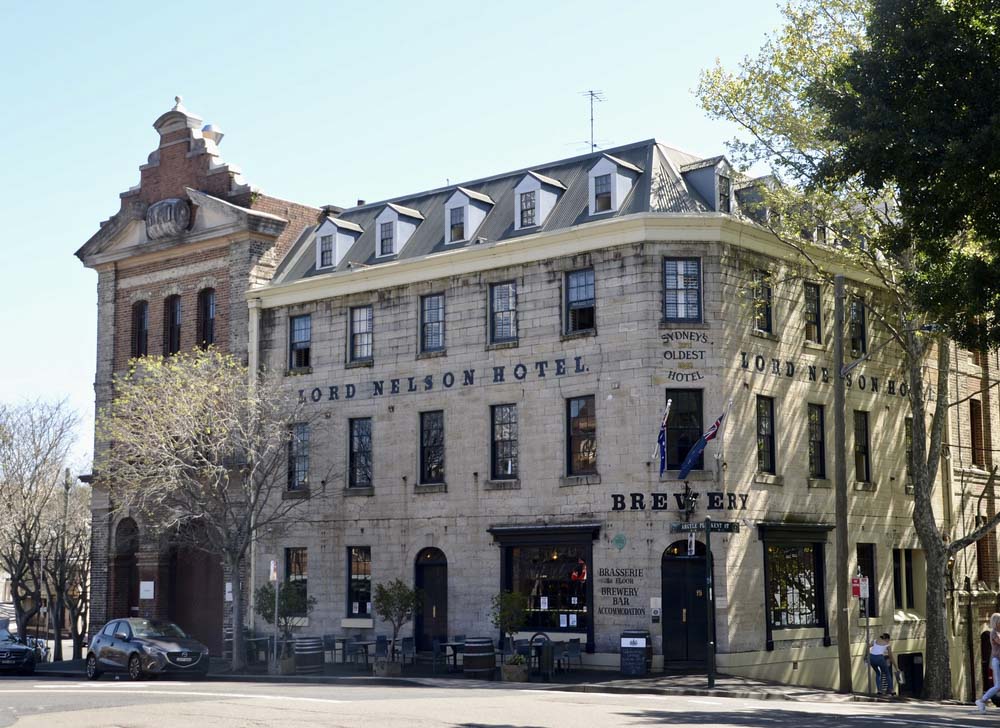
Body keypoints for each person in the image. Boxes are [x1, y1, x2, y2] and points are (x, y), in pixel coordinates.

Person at [976, 613, 1000, 712]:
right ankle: (982, 700)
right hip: (997, 661)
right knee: (998, 686)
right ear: (996, 622)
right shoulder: (994, 633)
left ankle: (982, 701)